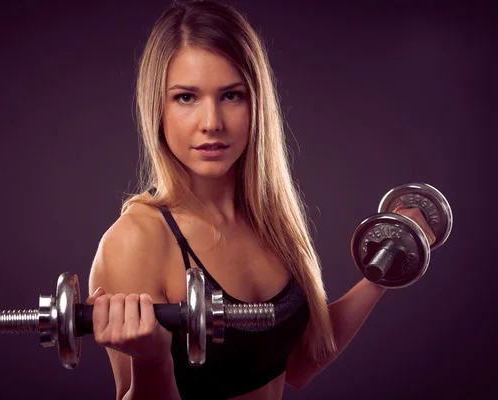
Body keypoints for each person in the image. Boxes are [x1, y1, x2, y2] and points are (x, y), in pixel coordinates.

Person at [85, 1, 437, 399]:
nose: (211, 122)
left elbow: (301, 364)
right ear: (157, 109)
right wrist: (152, 360)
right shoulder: (137, 240)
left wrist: (388, 263)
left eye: (231, 95)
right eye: (186, 98)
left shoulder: (268, 218)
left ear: (257, 105)